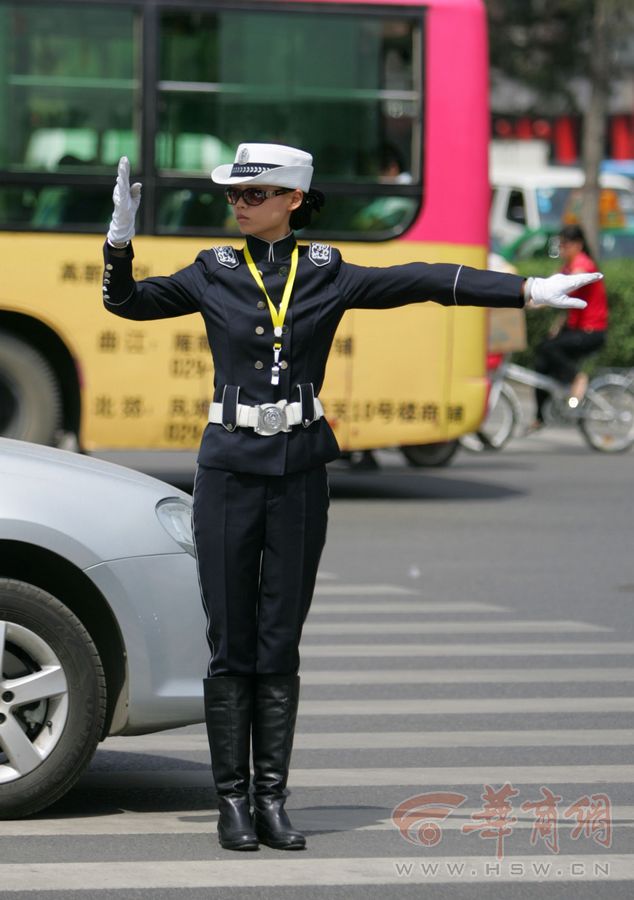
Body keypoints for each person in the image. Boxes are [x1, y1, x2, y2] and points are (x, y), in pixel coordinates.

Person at [102, 144, 599, 853]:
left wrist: (522, 290)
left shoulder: (326, 273)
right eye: (234, 195)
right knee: (230, 641)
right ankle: (232, 802)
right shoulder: (212, 272)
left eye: (254, 194)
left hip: (302, 470)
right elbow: (128, 303)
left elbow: (419, 280)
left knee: (280, 642)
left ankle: (272, 800)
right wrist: (119, 243)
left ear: (293, 199)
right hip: (229, 473)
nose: (238, 205)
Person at [531, 224, 608, 428]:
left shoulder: (583, 265)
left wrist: (538, 302)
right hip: (576, 328)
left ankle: (577, 377)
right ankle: (540, 417)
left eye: (566, 244)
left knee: (550, 348)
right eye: (561, 244)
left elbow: (567, 289)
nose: (562, 248)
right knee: (541, 362)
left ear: (578, 244)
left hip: (591, 331)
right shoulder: (567, 266)